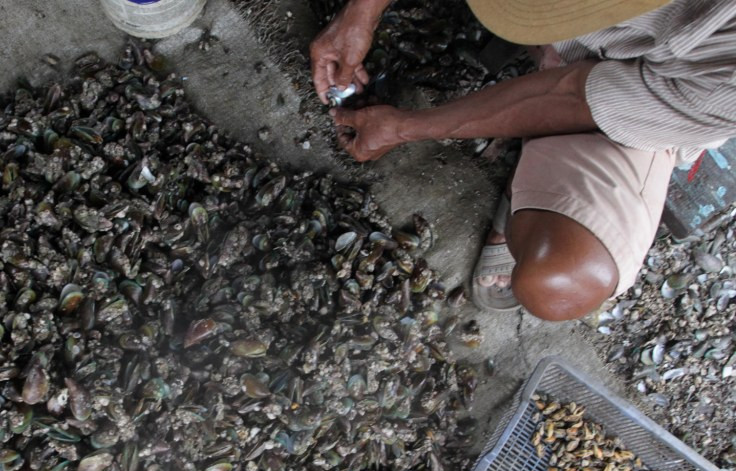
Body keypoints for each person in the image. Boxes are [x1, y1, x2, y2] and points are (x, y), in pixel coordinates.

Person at [310, 0, 736, 320]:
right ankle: (541, 156)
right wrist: (358, 17)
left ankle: (533, 192)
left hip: (645, 99)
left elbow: (571, 95)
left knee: (562, 279)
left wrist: (406, 128)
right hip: (587, 54)